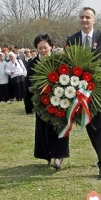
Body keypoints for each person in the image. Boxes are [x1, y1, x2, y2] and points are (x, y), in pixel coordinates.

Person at [66, 6, 101, 180]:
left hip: (99, 89)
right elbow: (68, 63)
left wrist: (94, 73)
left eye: (88, 17)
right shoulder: (72, 40)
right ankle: (100, 155)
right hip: (80, 90)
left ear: (94, 20)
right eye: (82, 17)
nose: (84, 20)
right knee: (89, 124)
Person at [28, 34, 70, 169]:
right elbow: (28, 83)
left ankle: (58, 157)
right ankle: (48, 155)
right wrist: (28, 103)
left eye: (45, 47)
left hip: (60, 100)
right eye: (40, 48)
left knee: (59, 128)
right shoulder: (32, 63)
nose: (43, 50)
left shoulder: (59, 61)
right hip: (41, 102)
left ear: (51, 47)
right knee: (45, 129)